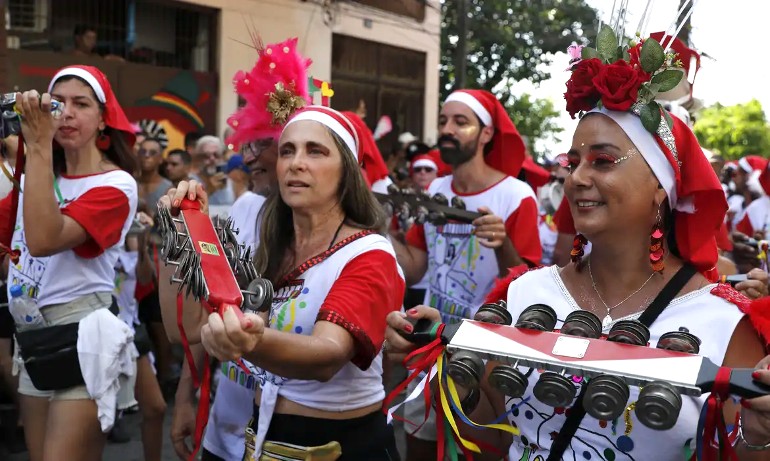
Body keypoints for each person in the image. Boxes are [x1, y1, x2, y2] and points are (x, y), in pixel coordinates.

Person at [386, 32, 770, 460]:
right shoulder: (525, 294)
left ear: (661, 190)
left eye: (602, 161)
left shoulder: (723, 321)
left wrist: (758, 433)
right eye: (573, 163)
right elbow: (494, 435)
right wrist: (449, 365)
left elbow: (742, 448)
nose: (576, 178)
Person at [160, 105, 404, 460]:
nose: (296, 162)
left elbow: (327, 356)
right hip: (260, 437)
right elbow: (185, 326)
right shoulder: (265, 245)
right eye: (287, 150)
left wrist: (249, 340)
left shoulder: (370, 253)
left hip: (340, 445)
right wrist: (180, 230)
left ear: (347, 171)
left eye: (315, 151)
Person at [389, 88, 541, 461]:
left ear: (486, 133)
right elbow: (416, 267)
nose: (447, 129)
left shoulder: (516, 196)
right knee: (420, 446)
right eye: (443, 121)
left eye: (461, 122)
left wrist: (502, 242)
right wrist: (381, 231)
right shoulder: (437, 189)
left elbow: (529, 285)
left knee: (485, 449)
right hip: (431, 342)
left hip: (487, 352)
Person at [2, 65, 138, 461]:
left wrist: (39, 146)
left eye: (82, 104)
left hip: (84, 335)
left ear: (102, 118)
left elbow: (44, 240)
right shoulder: (35, 177)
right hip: (31, 333)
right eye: (58, 104)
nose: (68, 114)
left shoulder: (117, 184)